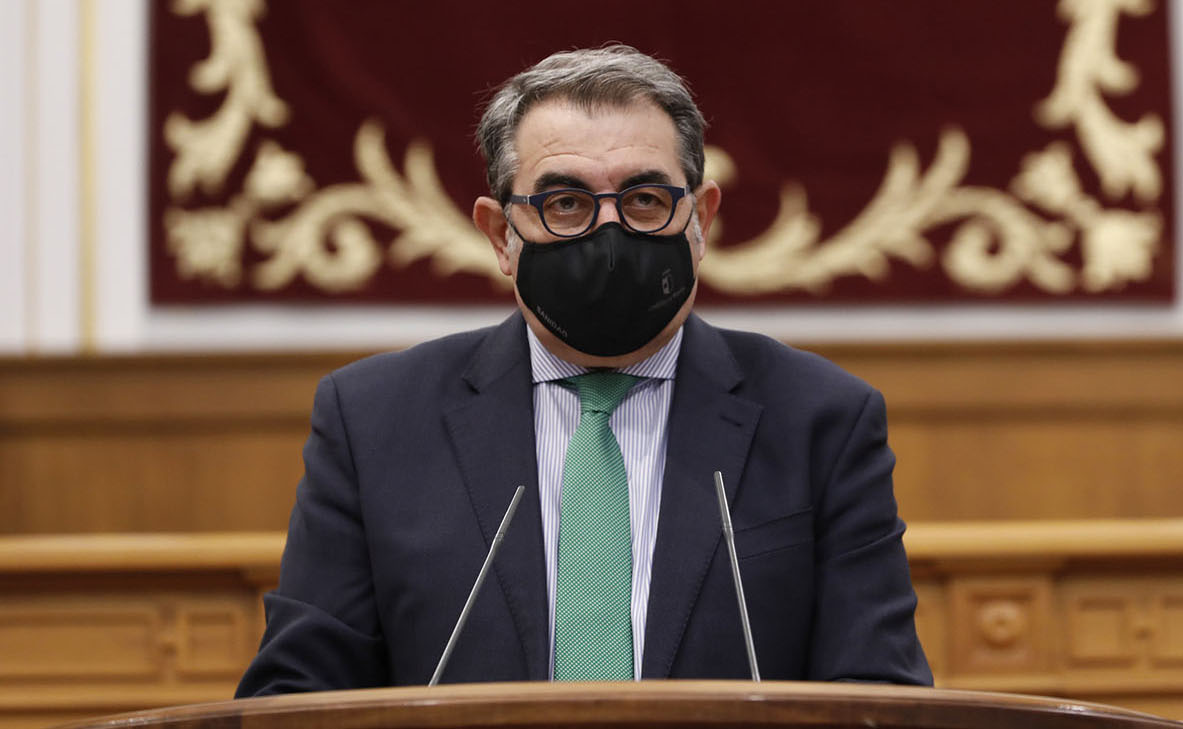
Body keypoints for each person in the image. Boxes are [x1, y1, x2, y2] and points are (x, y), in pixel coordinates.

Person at [235, 45, 931, 695]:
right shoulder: (373, 421)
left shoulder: (821, 421)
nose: (609, 233)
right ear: (501, 234)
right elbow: (296, 695)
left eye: (645, 200)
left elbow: (880, 698)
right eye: (565, 203)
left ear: (701, 219)